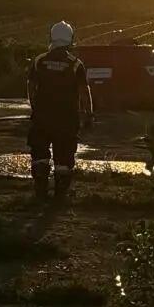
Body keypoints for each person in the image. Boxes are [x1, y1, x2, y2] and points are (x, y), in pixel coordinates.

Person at [27, 20, 93, 200]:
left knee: (39, 152)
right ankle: (60, 195)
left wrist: (35, 107)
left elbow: (31, 87)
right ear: (70, 39)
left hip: (42, 117)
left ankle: (40, 191)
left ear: (52, 37)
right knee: (64, 156)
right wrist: (89, 114)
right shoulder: (75, 64)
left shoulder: (39, 61)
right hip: (67, 118)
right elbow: (84, 92)